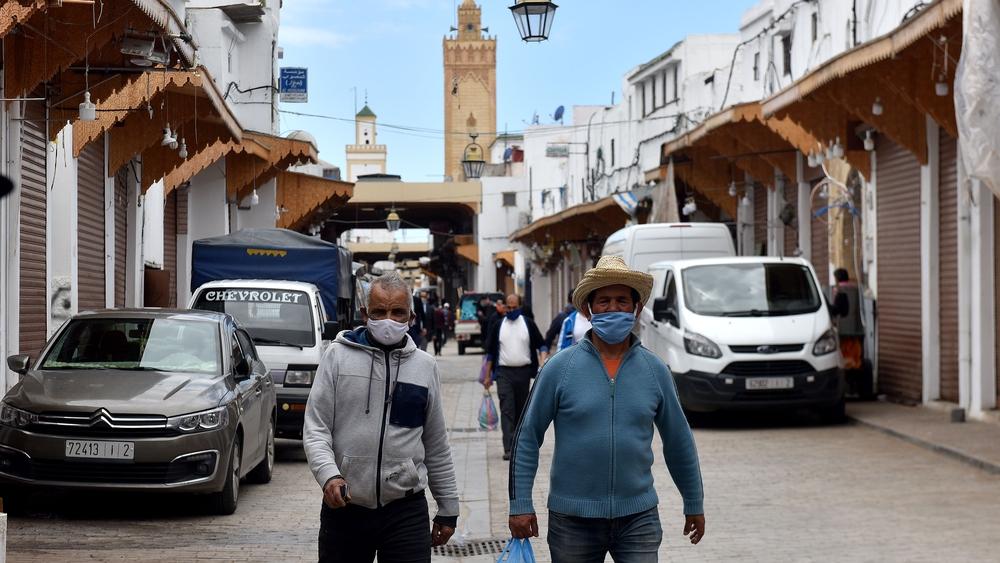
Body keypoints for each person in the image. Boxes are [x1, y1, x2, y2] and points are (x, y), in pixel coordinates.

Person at [508, 256, 705, 562]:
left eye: (622, 300)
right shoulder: (560, 368)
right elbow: (527, 437)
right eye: (603, 301)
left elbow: (679, 441)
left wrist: (694, 501)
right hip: (572, 520)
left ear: (636, 308)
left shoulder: (655, 370)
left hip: (638, 517)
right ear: (588, 309)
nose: (613, 308)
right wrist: (520, 503)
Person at [303, 271, 459, 563]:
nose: (389, 319)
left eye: (398, 312)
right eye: (380, 311)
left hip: (405, 510)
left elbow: (436, 443)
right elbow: (316, 428)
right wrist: (329, 476)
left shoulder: (425, 367)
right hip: (346, 507)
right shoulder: (336, 357)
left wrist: (448, 507)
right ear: (365, 314)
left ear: (410, 316)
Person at [482, 294, 548, 460]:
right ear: (504, 307)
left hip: (524, 372)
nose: (511, 310)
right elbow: (490, 353)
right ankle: (508, 448)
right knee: (507, 409)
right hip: (504, 373)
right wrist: (487, 376)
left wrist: (542, 364)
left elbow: (542, 345)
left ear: (520, 307)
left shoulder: (528, 324)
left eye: (514, 307)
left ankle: (519, 445)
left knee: (521, 410)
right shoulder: (498, 325)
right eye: (508, 308)